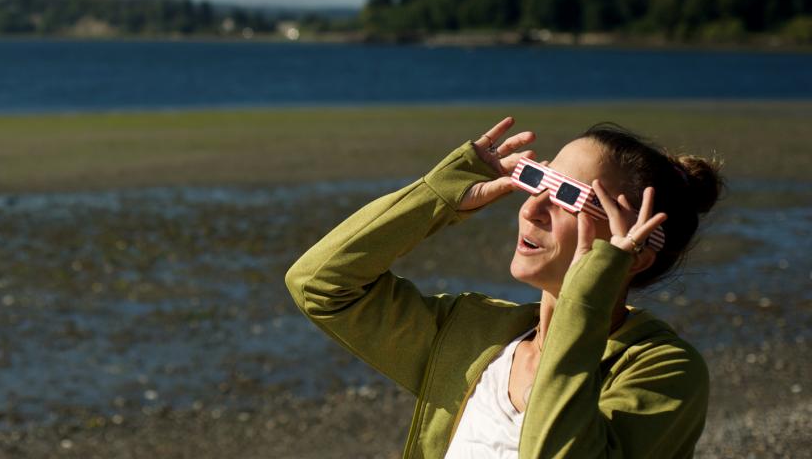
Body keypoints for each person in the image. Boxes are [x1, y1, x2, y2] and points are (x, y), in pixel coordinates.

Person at [285, 116, 722, 459]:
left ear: (636, 252)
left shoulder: (663, 371)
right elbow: (321, 285)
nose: (532, 209)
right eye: (537, 180)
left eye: (568, 197)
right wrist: (442, 194)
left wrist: (591, 286)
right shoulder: (473, 337)